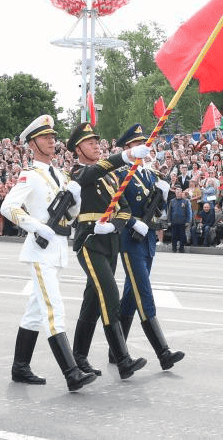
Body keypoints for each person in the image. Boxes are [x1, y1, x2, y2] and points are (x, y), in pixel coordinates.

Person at [0, 115, 95, 391]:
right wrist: (37, 226)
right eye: (45, 137)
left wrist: (76, 201)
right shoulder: (30, 175)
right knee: (54, 309)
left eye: (53, 136)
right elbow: (9, 207)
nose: (52, 141)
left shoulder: (60, 175)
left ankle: (20, 367)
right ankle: (71, 373)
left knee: (34, 312)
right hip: (41, 249)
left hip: (57, 247)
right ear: (33, 143)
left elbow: (72, 214)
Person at [66, 122, 147, 380]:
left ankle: (78, 358)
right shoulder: (77, 173)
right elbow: (91, 175)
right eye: (90, 143)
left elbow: (123, 208)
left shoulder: (112, 176)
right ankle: (123, 360)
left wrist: (113, 224)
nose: (96, 145)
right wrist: (124, 156)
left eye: (97, 142)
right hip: (89, 242)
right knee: (110, 295)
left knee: (92, 302)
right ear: (78, 149)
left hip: (109, 241)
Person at [113, 124, 185, 372]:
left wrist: (164, 196)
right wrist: (133, 222)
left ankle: (116, 349)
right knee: (144, 293)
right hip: (130, 240)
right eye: (136, 144)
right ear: (127, 149)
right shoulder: (120, 174)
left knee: (131, 296)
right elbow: (115, 208)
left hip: (148, 240)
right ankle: (163, 352)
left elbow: (158, 212)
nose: (143, 148)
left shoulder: (152, 175)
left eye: (144, 144)